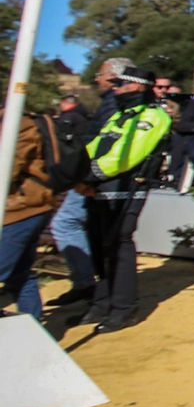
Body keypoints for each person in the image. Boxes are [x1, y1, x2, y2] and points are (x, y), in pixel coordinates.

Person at [82, 65, 169, 332]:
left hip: (128, 187)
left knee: (119, 243)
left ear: (137, 87)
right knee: (98, 244)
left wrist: (90, 172)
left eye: (120, 85)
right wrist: (74, 169)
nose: (114, 89)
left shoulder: (154, 116)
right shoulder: (119, 116)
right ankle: (101, 303)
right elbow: (95, 145)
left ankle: (124, 309)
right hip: (98, 187)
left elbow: (128, 154)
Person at [49, 58, 132, 309]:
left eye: (100, 74)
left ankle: (88, 284)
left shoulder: (113, 103)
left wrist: (86, 177)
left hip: (94, 176)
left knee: (66, 223)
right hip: (95, 176)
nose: (96, 78)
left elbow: (101, 143)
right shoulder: (115, 103)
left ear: (113, 77)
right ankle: (96, 287)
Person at [1, 117, 63, 319]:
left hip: (21, 209)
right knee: (20, 274)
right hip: (23, 208)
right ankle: (33, 331)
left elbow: (8, 167)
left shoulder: (17, 122)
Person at [45, 94, 96, 306]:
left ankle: (87, 284)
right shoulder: (90, 114)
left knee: (65, 223)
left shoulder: (69, 119)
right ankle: (88, 284)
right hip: (87, 174)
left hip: (86, 175)